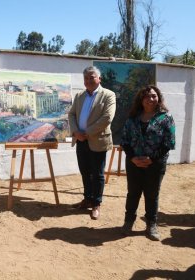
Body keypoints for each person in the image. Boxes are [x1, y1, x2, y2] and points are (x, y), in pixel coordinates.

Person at [120, 85, 175, 241]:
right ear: (141, 99)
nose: (150, 99)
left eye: (153, 96)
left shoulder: (166, 117)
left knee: (152, 194)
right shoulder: (132, 118)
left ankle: (151, 224)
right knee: (133, 193)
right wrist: (133, 158)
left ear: (158, 98)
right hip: (133, 163)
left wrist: (152, 159)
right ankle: (128, 222)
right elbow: (125, 141)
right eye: (147, 96)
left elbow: (168, 143)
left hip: (155, 164)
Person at [68, 66, 116, 220]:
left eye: (92, 77)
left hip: (97, 141)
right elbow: (71, 114)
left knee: (97, 174)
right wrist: (76, 132)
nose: (88, 80)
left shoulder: (108, 95)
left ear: (99, 79)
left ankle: (96, 203)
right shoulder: (79, 95)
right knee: (85, 172)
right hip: (80, 140)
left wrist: (86, 133)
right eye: (86, 78)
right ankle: (87, 199)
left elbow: (107, 118)